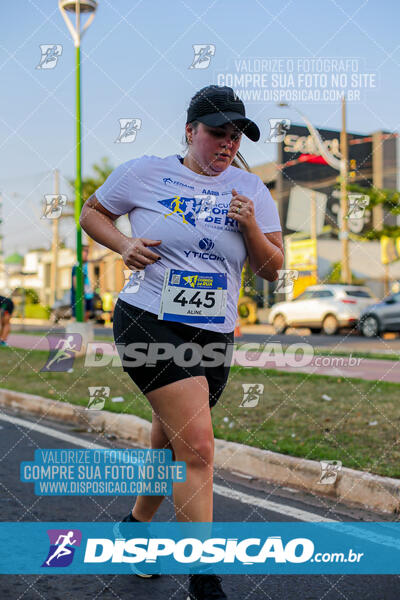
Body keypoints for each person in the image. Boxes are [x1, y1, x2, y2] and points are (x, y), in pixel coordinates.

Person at [79, 85, 284, 599]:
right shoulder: (144, 172)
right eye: (217, 132)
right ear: (190, 131)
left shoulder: (252, 190)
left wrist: (252, 227)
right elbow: (91, 212)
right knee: (198, 446)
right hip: (148, 319)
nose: (227, 144)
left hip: (213, 331)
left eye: (235, 136)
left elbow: (271, 270)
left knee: (171, 439)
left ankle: (134, 526)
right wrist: (125, 244)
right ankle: (204, 575)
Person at [71, 245, 94, 321]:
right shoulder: (77, 266)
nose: (86, 253)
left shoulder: (86, 264)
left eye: (87, 251)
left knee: (87, 315)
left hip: (88, 294)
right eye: (85, 251)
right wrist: (81, 295)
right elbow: (75, 283)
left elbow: (96, 260)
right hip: (80, 295)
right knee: (77, 317)